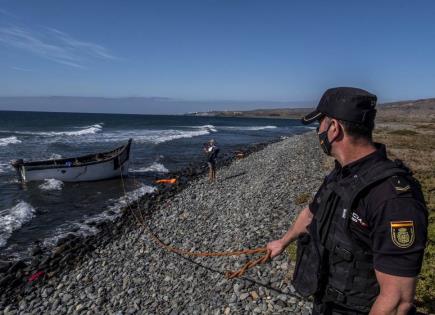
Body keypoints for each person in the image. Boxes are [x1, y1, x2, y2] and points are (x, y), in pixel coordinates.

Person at [267, 87, 428, 315]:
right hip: (327, 302)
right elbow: (312, 213)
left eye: (320, 124)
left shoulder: (393, 198)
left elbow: (397, 300)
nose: (317, 131)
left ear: (334, 128)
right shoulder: (342, 174)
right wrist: (283, 242)